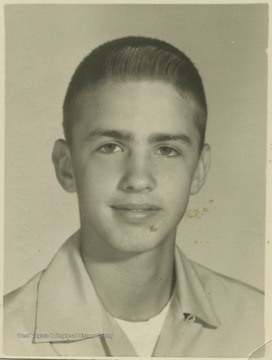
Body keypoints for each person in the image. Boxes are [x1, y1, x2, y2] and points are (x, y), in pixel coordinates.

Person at [4, 36, 264, 357]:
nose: (138, 179)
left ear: (199, 169)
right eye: (110, 147)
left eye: (167, 150)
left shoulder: (260, 330)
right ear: (67, 165)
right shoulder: (8, 337)